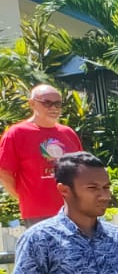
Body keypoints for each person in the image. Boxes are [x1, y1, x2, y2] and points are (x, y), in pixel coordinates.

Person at [0, 84, 80, 225]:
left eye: (57, 104)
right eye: (47, 103)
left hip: (73, 210)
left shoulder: (68, 133)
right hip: (38, 215)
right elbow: (4, 172)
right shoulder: (17, 133)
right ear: (32, 104)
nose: (53, 108)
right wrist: (24, 198)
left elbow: (81, 169)